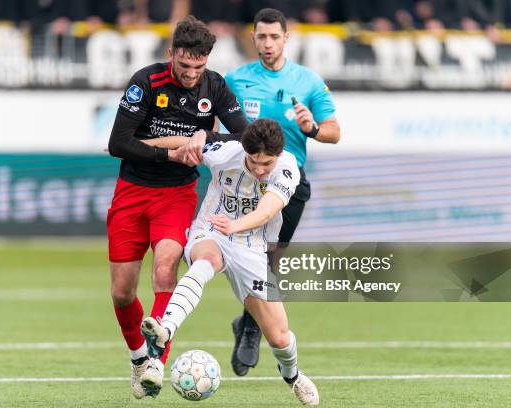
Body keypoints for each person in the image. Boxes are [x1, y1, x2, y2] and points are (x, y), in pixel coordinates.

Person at [106, 15, 248, 399]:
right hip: (132, 191)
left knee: (166, 268)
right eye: (184, 65)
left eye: (197, 67)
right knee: (122, 293)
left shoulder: (215, 86)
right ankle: (138, 358)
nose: (190, 74)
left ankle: (156, 361)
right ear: (171, 54)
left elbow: (244, 134)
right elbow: (119, 143)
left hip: (178, 197)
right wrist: (172, 151)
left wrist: (206, 135)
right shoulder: (146, 82)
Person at [140, 119, 320, 406]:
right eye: (253, 162)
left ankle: (293, 376)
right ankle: (166, 330)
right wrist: (138, 146)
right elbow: (183, 141)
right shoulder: (226, 152)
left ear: (278, 155)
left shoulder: (287, 168)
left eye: (267, 164)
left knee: (279, 337)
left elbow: (267, 210)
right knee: (206, 259)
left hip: (253, 247)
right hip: (211, 230)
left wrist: (236, 226)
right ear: (244, 150)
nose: (260, 170)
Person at [224, 8, 340, 376]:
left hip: (289, 182)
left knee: (272, 258)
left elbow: (334, 131)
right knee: (249, 256)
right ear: (253, 38)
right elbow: (217, 129)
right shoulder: (236, 79)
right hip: (245, 181)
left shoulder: (307, 81)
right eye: (261, 36)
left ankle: (248, 325)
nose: (268, 43)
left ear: (286, 38)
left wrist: (312, 128)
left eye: (274, 36)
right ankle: (252, 333)